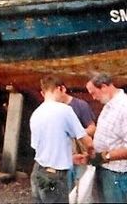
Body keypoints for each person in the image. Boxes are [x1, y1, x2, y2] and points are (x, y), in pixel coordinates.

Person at [30, 75, 93, 203]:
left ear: (42, 93)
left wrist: (69, 159)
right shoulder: (65, 110)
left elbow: (43, 149)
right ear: (60, 89)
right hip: (55, 176)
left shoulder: (35, 114)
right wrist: (94, 156)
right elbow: (85, 140)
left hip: (38, 172)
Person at [85, 73, 127, 203]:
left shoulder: (126, 108)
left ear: (104, 87)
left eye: (94, 93)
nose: (93, 98)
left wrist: (105, 156)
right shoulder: (110, 105)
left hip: (116, 174)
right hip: (105, 169)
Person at [59, 82, 96, 190]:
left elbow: (92, 128)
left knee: (80, 188)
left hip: (80, 154)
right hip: (61, 155)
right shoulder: (52, 107)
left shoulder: (80, 105)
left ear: (62, 89)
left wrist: (77, 133)